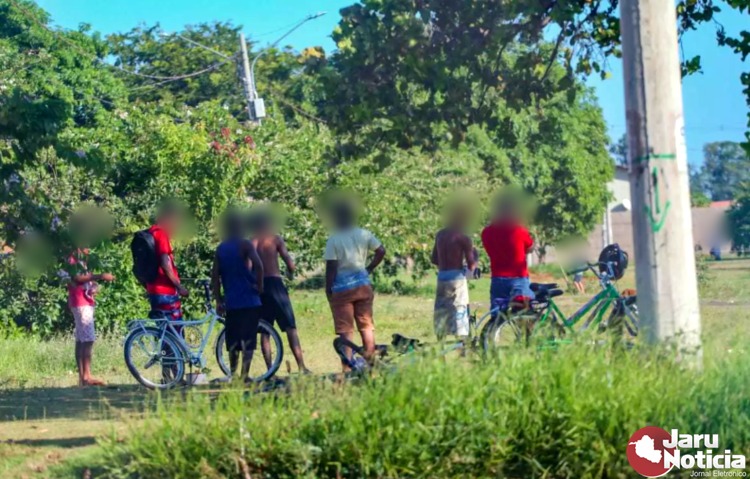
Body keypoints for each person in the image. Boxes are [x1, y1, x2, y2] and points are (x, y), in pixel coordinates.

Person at [324, 199, 386, 370]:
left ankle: (347, 368)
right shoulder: (364, 234)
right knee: (367, 327)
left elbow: (331, 268)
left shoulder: (334, 240)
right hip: (363, 286)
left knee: (346, 330)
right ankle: (372, 364)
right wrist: (370, 268)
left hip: (342, 290)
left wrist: (328, 289)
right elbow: (381, 251)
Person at [251, 209, 311, 374]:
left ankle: (270, 370)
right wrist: (289, 275)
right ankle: (301, 366)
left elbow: (248, 267)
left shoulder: (252, 241)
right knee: (290, 328)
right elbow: (290, 264)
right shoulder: (275, 239)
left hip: (260, 287)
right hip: (276, 285)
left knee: (265, 331)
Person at [211, 209, 265, 381]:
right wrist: (260, 286)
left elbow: (215, 277)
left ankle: (233, 374)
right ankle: (244, 375)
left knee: (233, 341)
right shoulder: (246, 245)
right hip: (250, 299)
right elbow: (259, 266)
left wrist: (219, 300)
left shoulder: (221, 249)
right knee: (248, 339)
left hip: (232, 301)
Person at [61, 248, 115, 387]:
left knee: (82, 339)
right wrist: (100, 276)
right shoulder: (74, 258)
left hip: (83, 300)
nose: (88, 249)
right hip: (80, 302)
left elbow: (85, 280)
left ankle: (83, 377)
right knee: (87, 339)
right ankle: (86, 377)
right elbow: (77, 278)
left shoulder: (81, 260)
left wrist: (94, 285)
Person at [431, 202, 478, 341]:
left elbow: (434, 259)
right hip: (456, 277)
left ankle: (440, 345)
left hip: (442, 275)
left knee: (441, 310)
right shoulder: (463, 238)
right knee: (460, 309)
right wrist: (474, 256)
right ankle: (461, 346)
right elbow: (471, 265)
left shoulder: (440, 235)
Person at [481, 192, 535, 305]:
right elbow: (530, 248)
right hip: (518, 278)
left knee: (498, 316)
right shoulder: (518, 230)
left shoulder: (486, 232)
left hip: (497, 278)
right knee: (524, 315)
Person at [145, 201, 189, 325]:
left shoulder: (151, 232)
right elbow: (165, 263)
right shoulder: (161, 234)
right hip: (165, 291)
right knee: (175, 334)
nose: (177, 224)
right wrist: (179, 287)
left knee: (164, 332)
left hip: (154, 289)